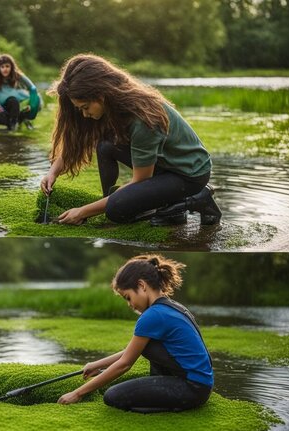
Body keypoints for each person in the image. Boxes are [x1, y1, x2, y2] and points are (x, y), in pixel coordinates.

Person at [40, 54, 222, 227]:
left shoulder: (142, 119)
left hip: (189, 174)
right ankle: (152, 205)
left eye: (85, 107)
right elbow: (78, 140)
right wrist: (52, 173)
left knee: (116, 210)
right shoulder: (110, 107)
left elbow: (140, 179)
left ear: (101, 95)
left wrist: (83, 212)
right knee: (105, 146)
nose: (84, 114)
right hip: (164, 165)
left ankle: (196, 199)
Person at [58, 254, 213, 413]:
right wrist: (96, 365)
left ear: (141, 285)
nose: (130, 305)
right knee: (146, 347)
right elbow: (133, 351)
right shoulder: (171, 306)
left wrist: (77, 393)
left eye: (128, 297)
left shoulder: (152, 316)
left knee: (112, 395)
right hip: (202, 385)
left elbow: (125, 364)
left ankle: (165, 409)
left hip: (192, 389)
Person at [0, 54, 40, 131]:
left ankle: (14, 125)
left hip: (13, 108)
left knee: (13, 101)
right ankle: (9, 124)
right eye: (2, 67)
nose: (5, 69)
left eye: (7, 66)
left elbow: (32, 87)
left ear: (11, 67)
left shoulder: (17, 75)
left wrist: (34, 101)